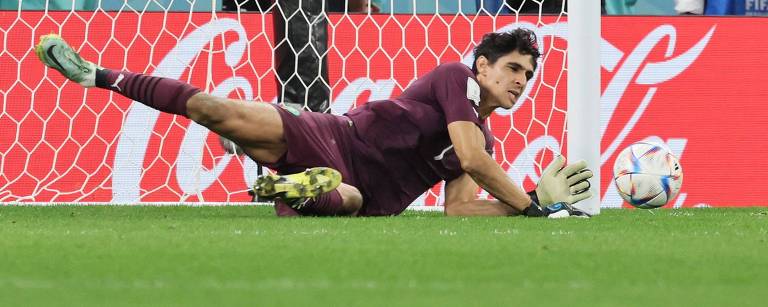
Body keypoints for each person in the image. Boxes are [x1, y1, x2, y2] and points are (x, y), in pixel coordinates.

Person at [34, 28, 593, 218]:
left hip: (366, 194)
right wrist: (531, 206)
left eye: (527, 74)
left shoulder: (480, 133)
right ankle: (96, 75)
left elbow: (461, 205)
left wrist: (523, 210)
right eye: (512, 68)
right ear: (483, 66)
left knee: (345, 199)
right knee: (216, 110)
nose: (520, 81)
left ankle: (287, 185)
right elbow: (472, 160)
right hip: (333, 134)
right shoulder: (456, 82)